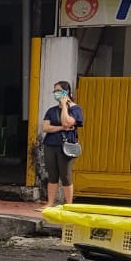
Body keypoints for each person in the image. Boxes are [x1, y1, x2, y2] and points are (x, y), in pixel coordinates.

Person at [41, 80, 85, 209]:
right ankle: (50, 202)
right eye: (54, 91)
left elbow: (68, 122)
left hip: (66, 147)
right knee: (52, 174)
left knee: (65, 175)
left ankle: (69, 204)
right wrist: (60, 128)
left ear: (66, 92)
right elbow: (45, 127)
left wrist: (65, 106)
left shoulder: (76, 109)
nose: (55, 93)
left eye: (58, 91)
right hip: (50, 144)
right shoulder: (51, 110)